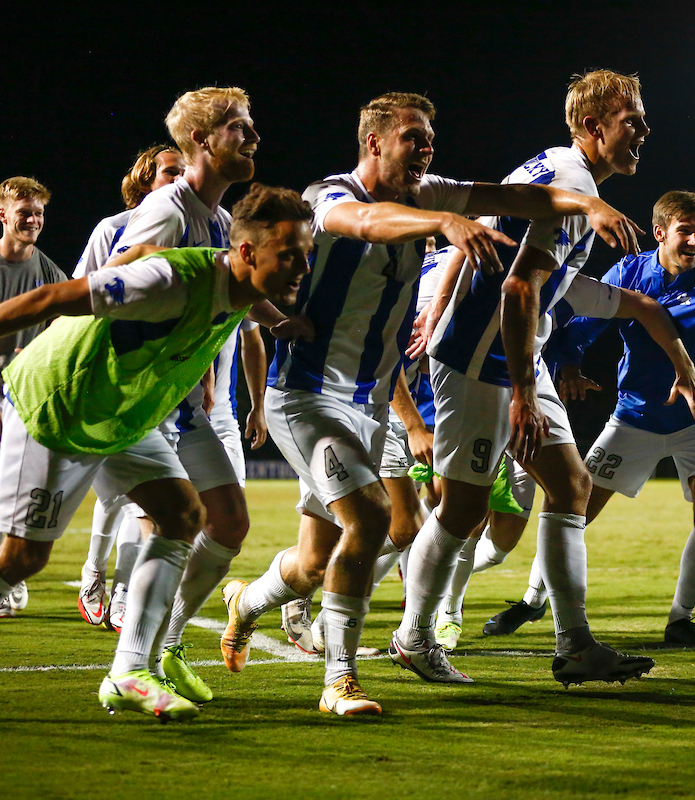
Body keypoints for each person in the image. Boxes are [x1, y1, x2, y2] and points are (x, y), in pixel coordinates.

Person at [220, 90, 645, 716]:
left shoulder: (431, 191)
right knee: (371, 521)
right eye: (413, 137)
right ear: (374, 142)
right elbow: (363, 224)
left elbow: (511, 198)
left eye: (428, 138)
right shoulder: (330, 195)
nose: (427, 148)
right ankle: (342, 679)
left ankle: (245, 603)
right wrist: (442, 222)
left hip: (366, 401)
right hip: (309, 393)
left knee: (315, 559)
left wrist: (586, 202)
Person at [398, 70, 695, 688]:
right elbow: (519, 288)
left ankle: (574, 646)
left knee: (570, 487)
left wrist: (443, 305)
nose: (644, 132)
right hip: (483, 360)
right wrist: (520, 391)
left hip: (508, 352)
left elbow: (493, 245)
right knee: (462, 509)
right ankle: (413, 637)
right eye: (633, 122)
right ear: (593, 128)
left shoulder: (552, 164)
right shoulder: (573, 187)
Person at [0, 183, 314, 721]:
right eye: (288, 255)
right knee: (21, 560)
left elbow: (256, 310)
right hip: (60, 406)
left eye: (305, 254)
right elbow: (54, 298)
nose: (301, 267)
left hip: (124, 413)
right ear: (245, 253)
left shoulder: (240, 293)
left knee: (183, 515)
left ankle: (128, 672)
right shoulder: (173, 278)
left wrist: (291, 324)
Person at [485, 191, 695, 648]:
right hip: (634, 417)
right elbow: (580, 324)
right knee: (573, 507)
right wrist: (570, 364)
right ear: (660, 232)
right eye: (686, 231)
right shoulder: (630, 273)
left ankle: (681, 619)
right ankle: (533, 600)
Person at [89, 87, 298, 707]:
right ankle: (134, 661)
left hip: (176, 400)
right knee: (24, 552)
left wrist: (283, 322)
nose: (253, 138)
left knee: (227, 522)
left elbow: (221, 284)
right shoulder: (168, 208)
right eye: (239, 128)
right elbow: (114, 284)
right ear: (202, 141)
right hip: (131, 396)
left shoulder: (216, 218)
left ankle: (161, 649)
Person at [73, 143, 187, 630]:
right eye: (169, 172)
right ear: (144, 181)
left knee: (149, 499)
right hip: (113, 382)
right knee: (115, 495)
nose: (179, 180)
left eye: (184, 172)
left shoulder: (194, 231)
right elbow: (82, 293)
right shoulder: (112, 231)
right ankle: (94, 572)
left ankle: (122, 589)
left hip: (164, 386)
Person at [0, 176, 67, 618]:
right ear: (2, 215)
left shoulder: (49, 271)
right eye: (25, 211)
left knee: (14, 493)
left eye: (39, 212)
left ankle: (7, 580)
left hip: (22, 399)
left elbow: (67, 328)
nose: (33, 220)